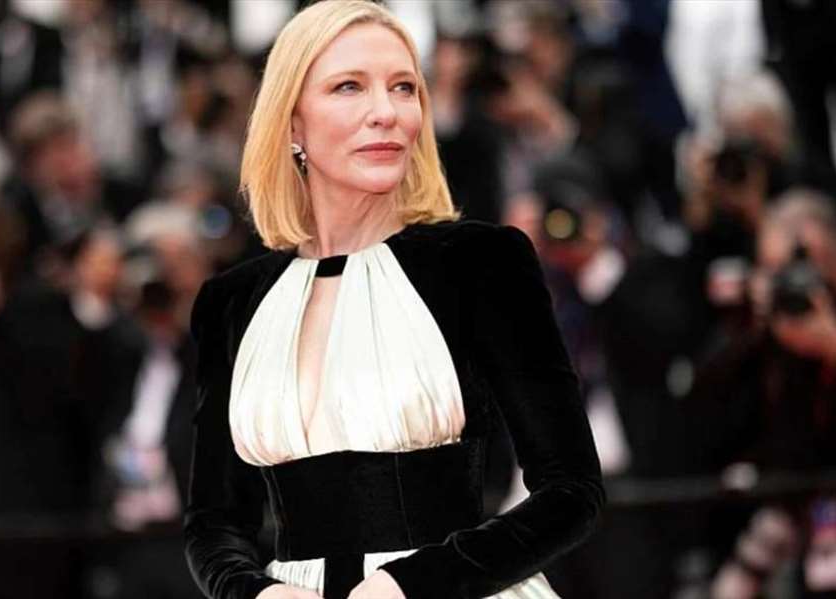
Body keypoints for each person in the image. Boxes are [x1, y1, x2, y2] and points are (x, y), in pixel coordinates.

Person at [182, 2, 605, 599]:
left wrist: (414, 583)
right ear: (292, 123)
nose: (386, 111)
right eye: (349, 87)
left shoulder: (480, 263)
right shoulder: (231, 302)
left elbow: (572, 491)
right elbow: (214, 523)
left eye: (404, 87)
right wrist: (256, 592)